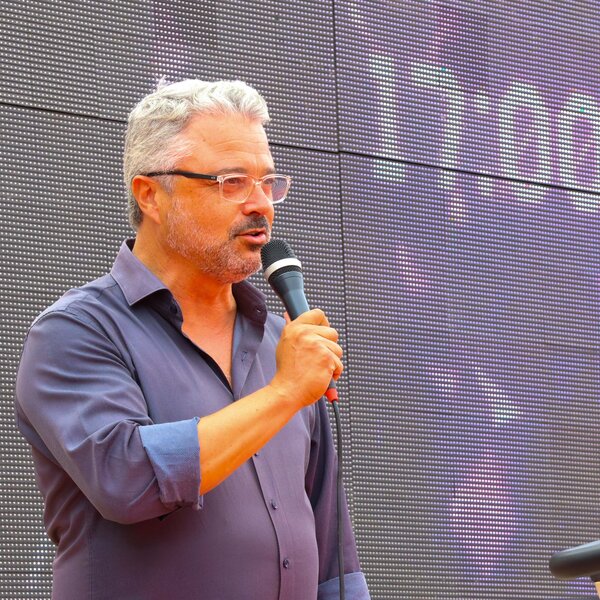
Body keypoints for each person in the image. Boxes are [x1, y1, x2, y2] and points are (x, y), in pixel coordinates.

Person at [15, 79, 370, 600]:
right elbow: (127, 479)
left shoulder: (283, 344)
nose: (261, 204)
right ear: (151, 195)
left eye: (269, 182)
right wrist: (284, 393)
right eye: (232, 181)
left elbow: (332, 555)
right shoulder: (76, 331)